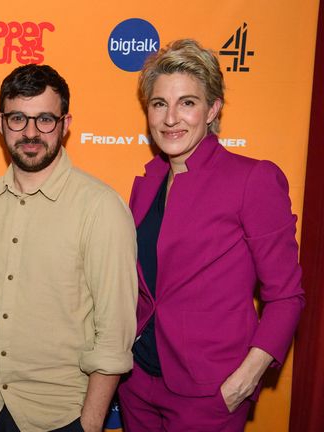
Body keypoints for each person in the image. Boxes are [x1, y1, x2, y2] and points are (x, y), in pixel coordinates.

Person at [117, 39, 305, 431]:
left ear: (213, 108)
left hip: (209, 392)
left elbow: (286, 296)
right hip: (137, 383)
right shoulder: (148, 182)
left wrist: (245, 379)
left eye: (187, 102)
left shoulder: (252, 179)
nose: (171, 118)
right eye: (159, 103)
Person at [0, 64, 137, 432]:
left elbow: (115, 332)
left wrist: (89, 423)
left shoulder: (100, 208)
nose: (31, 132)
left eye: (45, 120)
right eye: (18, 118)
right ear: (0, 122)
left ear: (65, 123)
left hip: (59, 416)